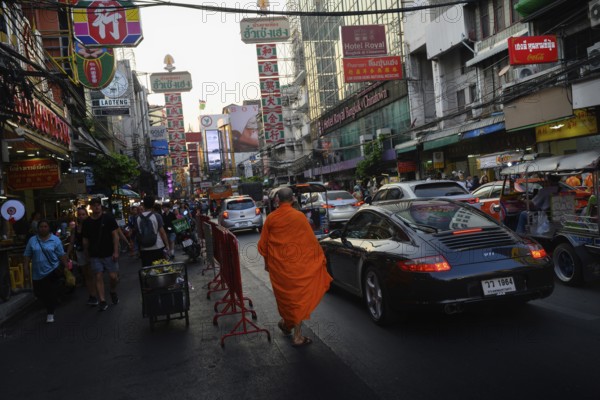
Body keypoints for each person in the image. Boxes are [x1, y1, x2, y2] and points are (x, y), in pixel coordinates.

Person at [258, 187, 333, 347]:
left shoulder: (271, 218)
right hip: (298, 267)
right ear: (292, 200)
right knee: (297, 299)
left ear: (278, 200)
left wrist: (267, 264)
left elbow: (263, 246)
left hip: (279, 268)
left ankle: (287, 324)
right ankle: (293, 332)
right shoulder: (299, 217)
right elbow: (311, 241)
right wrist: (319, 258)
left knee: (288, 300)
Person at [23, 219, 70, 323]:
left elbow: (61, 254)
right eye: (41, 227)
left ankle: (50, 312)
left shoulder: (55, 240)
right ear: (38, 228)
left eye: (45, 226)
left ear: (49, 228)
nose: (43, 228)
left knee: (50, 292)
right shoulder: (32, 240)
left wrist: (66, 266)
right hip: (37, 272)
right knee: (38, 293)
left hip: (52, 270)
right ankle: (51, 304)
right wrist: (26, 268)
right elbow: (27, 255)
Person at [82, 198, 120, 311]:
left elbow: (115, 235)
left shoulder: (108, 218)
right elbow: (85, 239)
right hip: (95, 254)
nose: (96, 207)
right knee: (98, 276)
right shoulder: (87, 222)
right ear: (91, 208)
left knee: (113, 277)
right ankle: (102, 300)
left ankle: (112, 291)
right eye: (94, 205)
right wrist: (86, 253)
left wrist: (116, 251)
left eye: (98, 205)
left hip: (109, 253)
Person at [68, 207, 97, 306]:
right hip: (81, 253)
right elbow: (72, 242)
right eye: (79, 214)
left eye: (83, 214)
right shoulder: (75, 229)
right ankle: (92, 295)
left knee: (93, 274)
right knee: (87, 275)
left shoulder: (92, 225)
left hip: (92, 252)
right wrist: (67, 254)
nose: (81, 216)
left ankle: (96, 293)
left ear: (86, 215)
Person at [137, 195, 170, 268]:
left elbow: (139, 233)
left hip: (144, 249)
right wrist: (167, 245)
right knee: (159, 269)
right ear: (153, 204)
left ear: (144, 204)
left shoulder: (138, 218)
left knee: (147, 271)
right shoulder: (157, 216)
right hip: (158, 246)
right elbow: (162, 232)